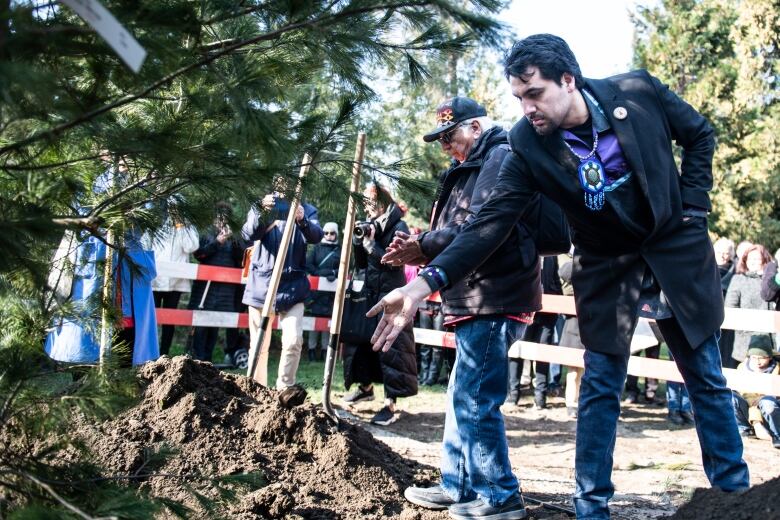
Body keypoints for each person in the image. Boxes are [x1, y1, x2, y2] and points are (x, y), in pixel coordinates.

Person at [369, 34, 749, 519]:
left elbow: (699, 134)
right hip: (607, 264)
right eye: (517, 98)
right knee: (600, 384)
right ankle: (592, 506)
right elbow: (490, 222)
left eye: (534, 94)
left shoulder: (637, 92)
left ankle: (736, 498)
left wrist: (695, 209)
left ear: (568, 80)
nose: (526, 108)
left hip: (672, 251)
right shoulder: (527, 144)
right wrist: (423, 282)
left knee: (705, 375)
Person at [382, 96, 540, 519]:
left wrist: (425, 245)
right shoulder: (471, 166)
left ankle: (500, 495)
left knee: (474, 398)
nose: (444, 146)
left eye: (448, 136)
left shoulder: (500, 157)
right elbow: (459, 230)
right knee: (461, 394)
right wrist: (422, 248)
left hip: (494, 294)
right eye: (440, 139)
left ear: (473, 127)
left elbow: (483, 225)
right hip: (478, 292)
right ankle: (458, 483)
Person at [341, 183, 418, 426]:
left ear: (382, 202)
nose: (366, 206)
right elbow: (361, 264)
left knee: (390, 349)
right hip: (369, 294)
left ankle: (390, 404)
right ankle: (365, 388)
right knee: (363, 343)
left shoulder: (399, 226)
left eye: (369, 201)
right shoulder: (369, 225)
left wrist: (372, 246)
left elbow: (396, 261)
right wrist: (358, 241)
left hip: (391, 296)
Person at [242, 179, 323, 389]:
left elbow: (316, 236)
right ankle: (256, 390)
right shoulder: (261, 205)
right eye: (280, 184)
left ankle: (285, 390)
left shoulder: (308, 210)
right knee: (259, 345)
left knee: (294, 340)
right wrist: (261, 211)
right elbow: (248, 234)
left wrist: (302, 219)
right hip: (262, 284)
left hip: (293, 287)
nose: (283, 189)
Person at [188, 204, 245, 363]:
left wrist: (232, 240)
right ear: (214, 218)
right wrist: (217, 242)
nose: (222, 221)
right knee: (201, 325)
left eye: (225, 218)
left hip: (226, 290)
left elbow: (241, 259)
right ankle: (197, 359)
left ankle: (208, 360)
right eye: (219, 217)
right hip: (205, 287)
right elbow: (199, 254)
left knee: (215, 325)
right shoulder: (206, 234)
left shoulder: (235, 237)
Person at [149, 213, 199, 356]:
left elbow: (191, 247)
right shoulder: (156, 221)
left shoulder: (187, 225)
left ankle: (164, 353)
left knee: (169, 320)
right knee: (152, 318)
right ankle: (151, 352)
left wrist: (181, 226)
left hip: (176, 281)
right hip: (155, 280)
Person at [725, 244, 775, 364]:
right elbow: (730, 308)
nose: (752, 262)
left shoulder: (773, 281)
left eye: (756, 259)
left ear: (764, 260)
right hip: (746, 342)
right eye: (750, 258)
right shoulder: (739, 279)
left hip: (771, 341)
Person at [731, 334, 780, 448]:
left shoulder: (777, 369)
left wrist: (761, 400)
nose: (757, 361)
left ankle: (776, 434)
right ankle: (745, 429)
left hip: (769, 410)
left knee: (767, 403)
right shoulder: (742, 368)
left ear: (770, 357)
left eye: (762, 358)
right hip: (750, 407)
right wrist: (756, 422)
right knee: (731, 397)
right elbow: (744, 392)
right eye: (754, 357)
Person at [305, 221, 341, 361]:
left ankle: (326, 351)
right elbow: (309, 264)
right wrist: (320, 273)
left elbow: (345, 267)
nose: (329, 235)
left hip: (331, 294)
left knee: (328, 323)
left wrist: (333, 272)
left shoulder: (339, 250)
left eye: (332, 233)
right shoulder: (317, 248)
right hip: (317, 291)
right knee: (314, 322)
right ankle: (312, 350)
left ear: (336, 234)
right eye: (326, 233)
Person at [714, 237, 737, 368]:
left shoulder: (736, 272)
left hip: (728, 318)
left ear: (731, 254)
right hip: (709, 317)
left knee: (725, 353)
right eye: (719, 252)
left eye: (726, 252)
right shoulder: (706, 268)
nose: (722, 256)